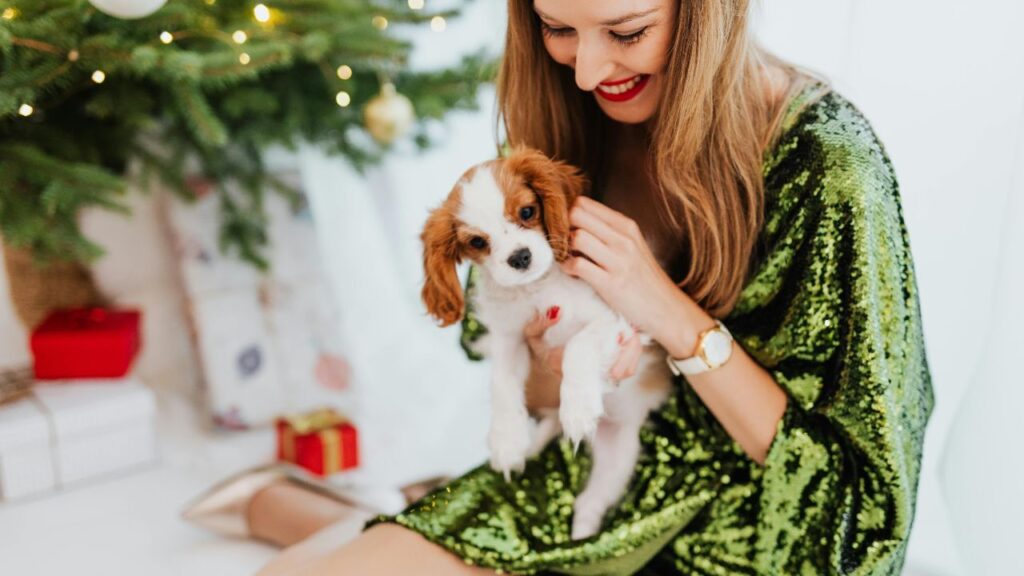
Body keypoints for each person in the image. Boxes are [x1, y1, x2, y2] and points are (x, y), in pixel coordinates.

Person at [241, 0, 935, 573]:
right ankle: (327, 512)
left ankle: (330, 510)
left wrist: (663, 308)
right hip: (592, 477)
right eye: (558, 29)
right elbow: (536, 388)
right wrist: (555, 361)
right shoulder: (570, 119)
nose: (588, 71)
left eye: (628, 32)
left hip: (759, 528)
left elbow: (858, 501)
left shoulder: (829, 162)